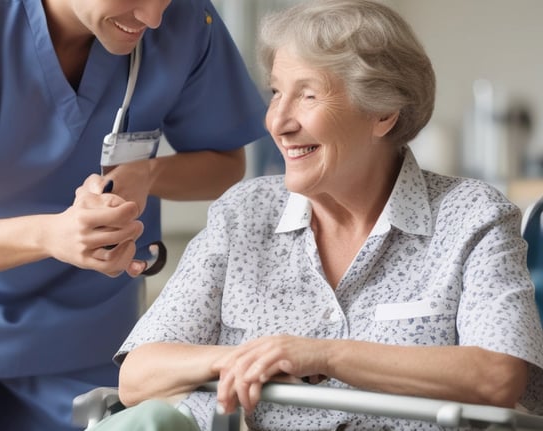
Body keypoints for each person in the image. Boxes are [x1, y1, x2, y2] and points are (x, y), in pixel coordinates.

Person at [91, 1, 543, 430]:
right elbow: (138, 375)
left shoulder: (471, 216)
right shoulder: (244, 214)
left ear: (383, 112)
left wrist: (321, 355)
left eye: (307, 96)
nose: (278, 122)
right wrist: (249, 360)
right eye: (275, 93)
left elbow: (496, 375)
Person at [0, 0, 268, 430]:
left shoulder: (186, 20)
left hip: (83, 326)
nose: (153, 19)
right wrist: (52, 235)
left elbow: (226, 164)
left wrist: (149, 172)